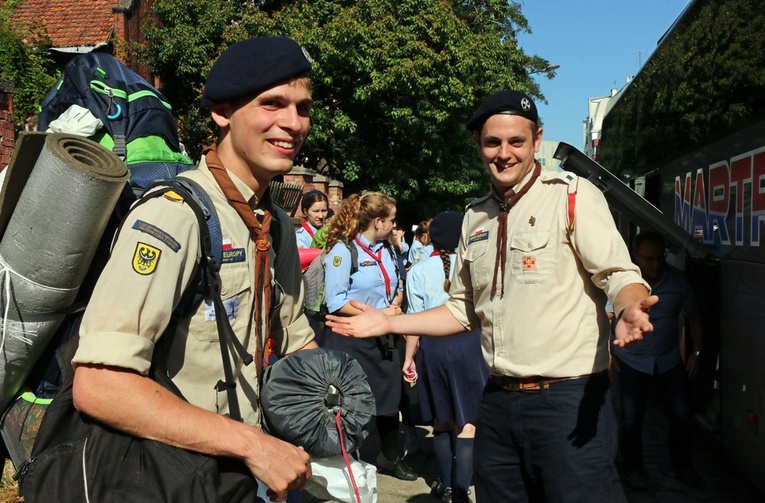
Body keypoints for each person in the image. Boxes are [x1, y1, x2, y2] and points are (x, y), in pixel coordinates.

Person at [326, 89, 658, 502]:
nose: (504, 153)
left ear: (537, 140)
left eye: (516, 141)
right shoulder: (475, 215)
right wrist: (389, 322)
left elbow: (618, 273)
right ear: (479, 146)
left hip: (568, 402)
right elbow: (463, 309)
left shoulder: (571, 197)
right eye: (492, 142)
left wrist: (628, 304)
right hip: (497, 403)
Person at [70, 37, 318, 502]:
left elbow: (294, 340)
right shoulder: (174, 215)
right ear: (222, 113)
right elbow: (100, 384)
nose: (293, 123)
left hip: (247, 478)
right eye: (272, 104)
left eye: (303, 108)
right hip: (171, 477)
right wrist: (251, 444)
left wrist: (335, 392)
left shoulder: (277, 224)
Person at [321, 192, 416, 481]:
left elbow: (396, 284)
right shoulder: (343, 251)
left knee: (389, 404)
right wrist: (377, 313)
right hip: (351, 338)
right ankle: (342, 464)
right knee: (349, 406)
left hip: (383, 337)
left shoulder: (387, 250)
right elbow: (335, 301)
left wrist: (395, 304)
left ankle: (388, 458)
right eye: (392, 219)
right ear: (378, 221)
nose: (395, 225)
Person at [402, 210, 489, 503]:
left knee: (440, 421)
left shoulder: (417, 270)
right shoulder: (475, 267)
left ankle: (448, 487)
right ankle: (463, 491)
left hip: (433, 349)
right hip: (469, 346)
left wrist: (408, 358)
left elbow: (414, 319)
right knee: (467, 423)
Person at [612, 230, 705, 490]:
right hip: (632, 361)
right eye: (649, 259)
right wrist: (608, 354)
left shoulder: (678, 281)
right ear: (636, 257)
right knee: (631, 419)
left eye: (659, 258)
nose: (655, 264)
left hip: (668, 360)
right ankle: (632, 470)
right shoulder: (624, 285)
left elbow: (695, 316)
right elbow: (606, 317)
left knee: (679, 416)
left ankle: (683, 468)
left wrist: (696, 353)